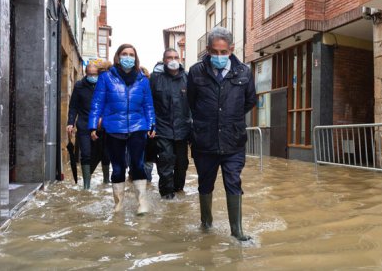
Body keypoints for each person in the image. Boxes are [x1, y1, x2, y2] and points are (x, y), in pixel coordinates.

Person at [187, 26, 256, 240]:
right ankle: (206, 224)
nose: (219, 56)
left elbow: (250, 101)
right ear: (208, 50)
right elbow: (191, 102)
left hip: (233, 141)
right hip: (204, 141)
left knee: (233, 181)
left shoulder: (244, 71)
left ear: (231, 49)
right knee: (205, 184)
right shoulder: (196, 71)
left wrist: (230, 118)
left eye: (223, 52)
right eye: (214, 52)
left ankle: (237, 231)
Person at [88, 44, 156, 215]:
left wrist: (152, 124)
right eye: (124, 54)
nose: (128, 57)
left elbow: (148, 105)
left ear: (136, 58)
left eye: (131, 54)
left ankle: (142, 202)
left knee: (138, 164)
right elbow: (97, 103)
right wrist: (92, 125)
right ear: (118, 57)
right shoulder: (106, 78)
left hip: (138, 126)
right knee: (117, 168)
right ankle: (118, 204)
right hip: (113, 127)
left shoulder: (143, 80)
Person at [150, 49, 190, 200]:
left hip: (183, 129)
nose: (173, 60)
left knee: (182, 164)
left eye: (175, 57)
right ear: (164, 60)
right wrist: (151, 124)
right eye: (169, 57)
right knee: (166, 162)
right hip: (162, 128)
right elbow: (149, 103)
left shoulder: (187, 78)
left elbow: (195, 103)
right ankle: (167, 196)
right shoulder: (155, 78)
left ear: (180, 59)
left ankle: (179, 191)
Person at [67, 63, 103, 189]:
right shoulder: (79, 86)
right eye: (90, 74)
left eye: (95, 74)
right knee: (86, 153)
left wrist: (102, 118)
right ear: (85, 73)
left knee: (101, 154)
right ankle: (86, 186)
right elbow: (73, 106)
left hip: (100, 126)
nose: (93, 76)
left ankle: (104, 180)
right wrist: (70, 122)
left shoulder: (103, 85)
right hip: (84, 124)